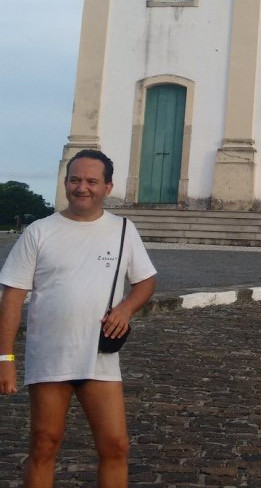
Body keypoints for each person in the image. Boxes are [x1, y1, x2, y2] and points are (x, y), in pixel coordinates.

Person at [0, 149, 157, 488]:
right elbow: (12, 294)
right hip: (50, 357)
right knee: (44, 445)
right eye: (75, 180)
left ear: (108, 187)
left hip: (98, 359)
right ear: (66, 183)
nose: (81, 187)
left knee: (116, 446)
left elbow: (146, 281)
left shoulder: (123, 230)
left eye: (91, 181)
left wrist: (126, 308)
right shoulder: (39, 232)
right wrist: (6, 357)